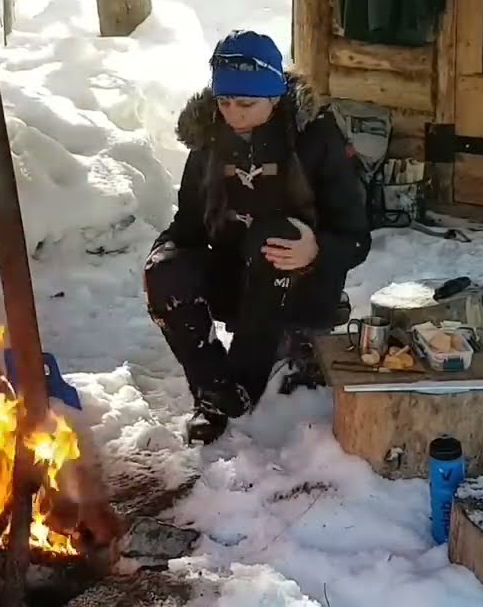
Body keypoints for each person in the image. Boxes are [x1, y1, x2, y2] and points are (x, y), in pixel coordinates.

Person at [144, 30, 371, 444]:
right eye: (225, 102)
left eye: (246, 104)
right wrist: (164, 256)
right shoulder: (209, 140)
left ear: (275, 96)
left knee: (275, 235)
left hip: (301, 285)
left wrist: (316, 250)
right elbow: (190, 224)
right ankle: (214, 393)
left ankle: (245, 386)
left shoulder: (316, 137)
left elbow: (356, 236)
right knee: (164, 271)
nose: (234, 114)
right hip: (236, 281)